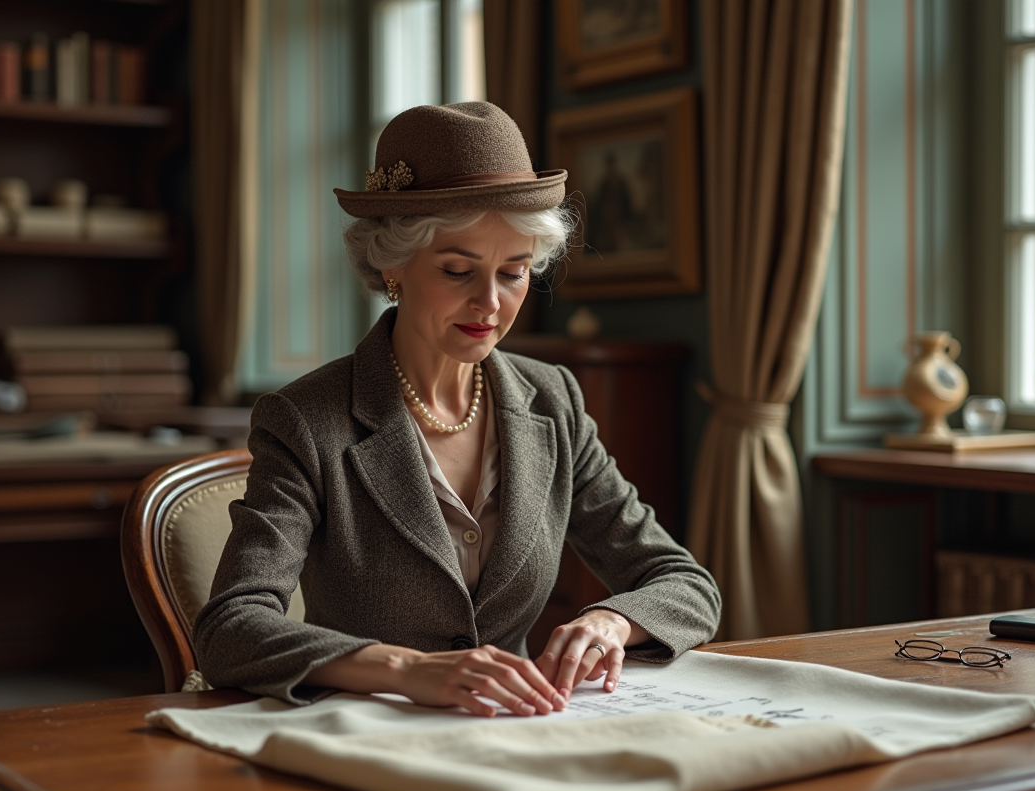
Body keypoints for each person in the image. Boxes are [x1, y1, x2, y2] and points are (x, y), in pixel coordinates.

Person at [194, 101, 721, 718]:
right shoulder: (306, 420)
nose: (490, 304)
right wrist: (407, 669)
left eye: (514, 272)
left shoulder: (553, 400)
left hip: (520, 737)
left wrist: (612, 621)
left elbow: (686, 584)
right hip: (364, 736)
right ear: (391, 264)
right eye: (457, 270)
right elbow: (230, 627)